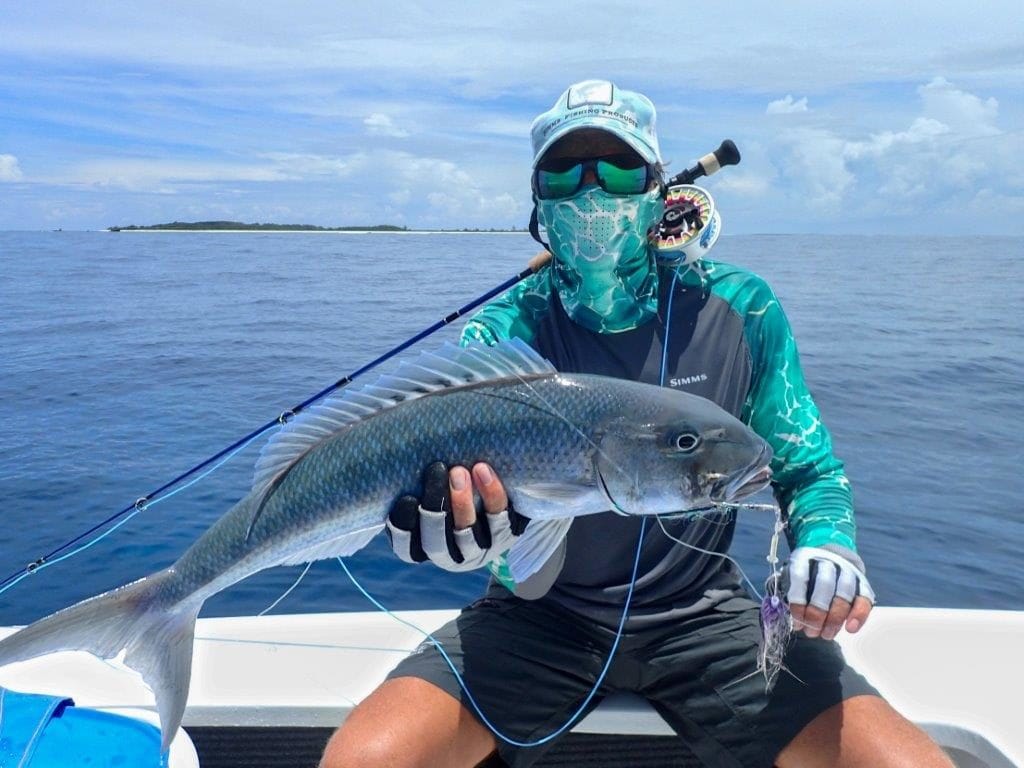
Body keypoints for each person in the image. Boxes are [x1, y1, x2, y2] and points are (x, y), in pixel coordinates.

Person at [320, 80, 952, 768]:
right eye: (564, 174)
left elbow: (807, 470)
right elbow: (496, 536)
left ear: (657, 188)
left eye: (620, 170)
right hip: (537, 620)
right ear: (538, 199)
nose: (593, 195)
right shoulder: (506, 330)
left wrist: (828, 548)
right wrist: (471, 540)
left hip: (705, 615)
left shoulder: (741, 308)